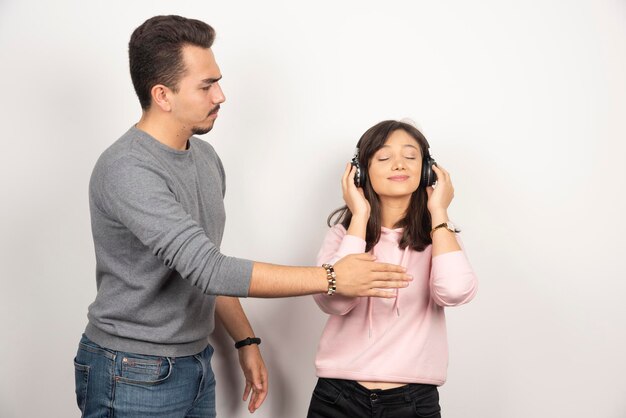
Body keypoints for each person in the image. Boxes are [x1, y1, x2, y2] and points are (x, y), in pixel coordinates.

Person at [73, 16, 412, 418]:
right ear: (162, 95)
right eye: (206, 85)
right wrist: (333, 277)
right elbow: (211, 270)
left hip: (194, 362)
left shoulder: (205, 159)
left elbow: (201, 265)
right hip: (131, 370)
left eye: (217, 80)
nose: (221, 95)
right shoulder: (127, 169)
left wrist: (245, 340)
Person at [307, 120, 478, 418]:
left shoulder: (440, 238)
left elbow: (454, 291)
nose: (399, 164)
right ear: (360, 173)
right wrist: (359, 216)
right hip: (337, 396)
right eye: (384, 158)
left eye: (411, 157)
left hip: (413, 399)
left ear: (427, 171)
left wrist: (439, 212)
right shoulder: (342, 236)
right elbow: (335, 301)